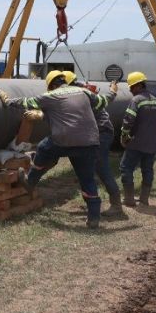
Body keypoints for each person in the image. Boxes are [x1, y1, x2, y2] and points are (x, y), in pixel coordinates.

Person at [0, 70, 117, 229]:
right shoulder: (84, 92)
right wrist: (113, 91)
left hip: (63, 140)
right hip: (89, 142)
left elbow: (25, 103)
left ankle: (30, 181)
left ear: (52, 85)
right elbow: (104, 101)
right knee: (87, 179)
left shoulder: (50, 96)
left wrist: (7, 100)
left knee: (43, 148)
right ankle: (94, 218)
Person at [63, 71, 125, 217]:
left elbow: (105, 99)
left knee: (101, 166)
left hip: (101, 132)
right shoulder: (76, 92)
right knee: (86, 164)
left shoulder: (80, 94)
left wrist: (112, 92)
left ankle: (116, 205)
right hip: (93, 132)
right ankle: (91, 200)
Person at [119, 71, 156, 207]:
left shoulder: (136, 100)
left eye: (131, 87)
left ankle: (129, 199)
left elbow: (128, 120)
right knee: (147, 169)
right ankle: (144, 199)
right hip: (152, 143)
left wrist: (124, 136)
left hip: (136, 142)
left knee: (125, 167)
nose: (131, 90)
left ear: (138, 85)